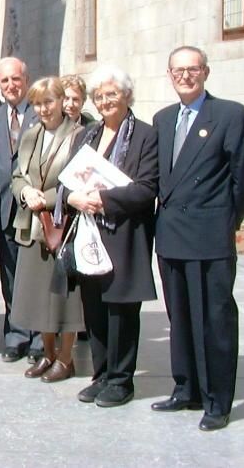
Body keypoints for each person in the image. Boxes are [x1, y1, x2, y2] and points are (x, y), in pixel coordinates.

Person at [151, 46, 244, 431]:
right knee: (179, 317)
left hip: (209, 236)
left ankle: (217, 400)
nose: (185, 76)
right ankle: (186, 388)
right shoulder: (164, 119)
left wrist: (223, 220)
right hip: (170, 238)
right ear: (169, 75)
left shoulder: (231, 116)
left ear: (206, 72)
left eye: (193, 69)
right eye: (178, 70)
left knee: (213, 320)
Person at [64, 66, 158, 407]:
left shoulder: (146, 136)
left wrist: (102, 200)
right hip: (89, 233)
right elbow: (68, 179)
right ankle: (101, 374)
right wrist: (72, 197)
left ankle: (121, 379)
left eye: (111, 95)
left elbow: (147, 187)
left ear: (127, 96)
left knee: (121, 309)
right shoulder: (86, 134)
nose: (104, 101)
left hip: (125, 234)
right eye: (99, 96)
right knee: (94, 309)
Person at [10, 77, 84, 383]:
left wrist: (48, 199)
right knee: (39, 296)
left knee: (65, 297)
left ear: (61, 102)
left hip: (63, 226)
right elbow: (18, 175)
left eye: (48, 102)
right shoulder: (31, 135)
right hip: (33, 226)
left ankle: (66, 359)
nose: (43, 109)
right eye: (37, 104)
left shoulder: (80, 135)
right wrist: (26, 194)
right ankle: (48, 354)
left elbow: (80, 178)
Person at [0, 56, 41, 361]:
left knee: (34, 275)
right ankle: (16, 334)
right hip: (3, 208)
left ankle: (38, 339)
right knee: (10, 276)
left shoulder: (42, 115)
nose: (10, 85)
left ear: (26, 79)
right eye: (5, 81)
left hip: (34, 210)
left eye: (15, 79)